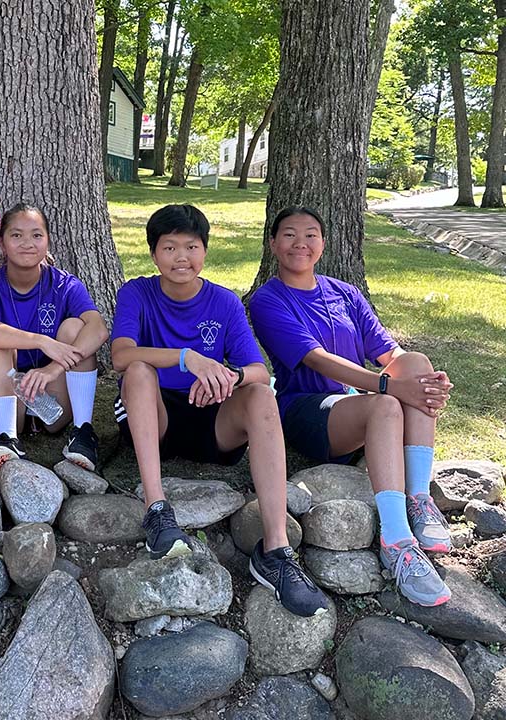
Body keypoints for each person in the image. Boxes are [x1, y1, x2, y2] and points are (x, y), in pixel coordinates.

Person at [111, 204, 328, 617]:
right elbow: (120, 355)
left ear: (205, 251)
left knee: (262, 396)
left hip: (214, 419)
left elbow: (259, 371)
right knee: (138, 371)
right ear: (154, 254)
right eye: (169, 247)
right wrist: (186, 357)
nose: (181, 257)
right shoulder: (136, 293)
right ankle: (157, 511)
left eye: (191, 246)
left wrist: (228, 378)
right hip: (155, 417)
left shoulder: (224, 302)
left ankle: (276, 551)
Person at [249, 206, 452, 607]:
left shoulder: (345, 292)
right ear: (273, 244)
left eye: (310, 234)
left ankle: (418, 500)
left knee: (419, 365)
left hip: (359, 404)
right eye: (289, 235)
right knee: (386, 406)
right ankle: (396, 541)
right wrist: (390, 387)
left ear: (322, 244)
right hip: (308, 410)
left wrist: (425, 383)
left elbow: (389, 352)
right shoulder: (267, 300)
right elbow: (316, 359)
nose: (300, 243)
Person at [0, 204, 109, 477]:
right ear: (2, 244)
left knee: (74, 328)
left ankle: (83, 432)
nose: (27, 244)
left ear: (47, 241)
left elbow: (99, 328)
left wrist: (53, 368)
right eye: (16, 235)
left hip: (52, 391)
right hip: (7, 392)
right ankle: (7, 438)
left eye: (36, 235)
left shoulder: (64, 284)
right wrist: (41, 341)